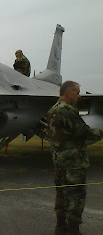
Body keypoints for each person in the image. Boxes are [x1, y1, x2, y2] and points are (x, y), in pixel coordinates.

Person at [46, 81, 103, 235]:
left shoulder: (53, 109)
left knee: (61, 194)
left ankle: (60, 227)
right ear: (69, 92)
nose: (79, 96)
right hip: (74, 162)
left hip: (59, 160)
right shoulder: (68, 110)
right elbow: (82, 131)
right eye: (77, 92)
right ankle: (73, 230)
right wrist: (99, 132)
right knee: (76, 196)